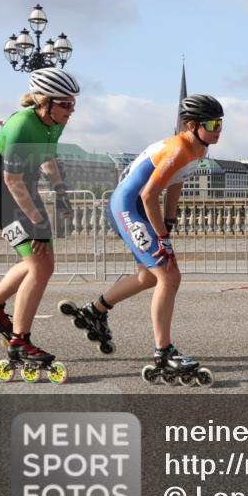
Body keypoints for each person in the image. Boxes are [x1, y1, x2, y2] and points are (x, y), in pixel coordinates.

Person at [60, 95, 223, 385]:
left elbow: (176, 183)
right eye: (212, 123)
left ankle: (95, 310)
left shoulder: (198, 149)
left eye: (220, 123)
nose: (218, 129)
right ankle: (163, 353)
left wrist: (169, 223)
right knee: (170, 277)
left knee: (149, 277)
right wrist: (162, 237)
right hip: (128, 207)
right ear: (191, 125)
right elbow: (149, 195)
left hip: (136, 209)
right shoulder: (178, 148)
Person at [0, 68, 80, 375]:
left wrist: (61, 192)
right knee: (38, 264)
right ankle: (20, 341)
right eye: (66, 104)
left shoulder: (54, 123)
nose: (71, 110)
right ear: (44, 102)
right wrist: (36, 221)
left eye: (73, 104)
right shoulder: (21, 126)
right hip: (2, 192)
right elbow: (12, 182)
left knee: (43, 262)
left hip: (24, 189)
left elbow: (47, 159)